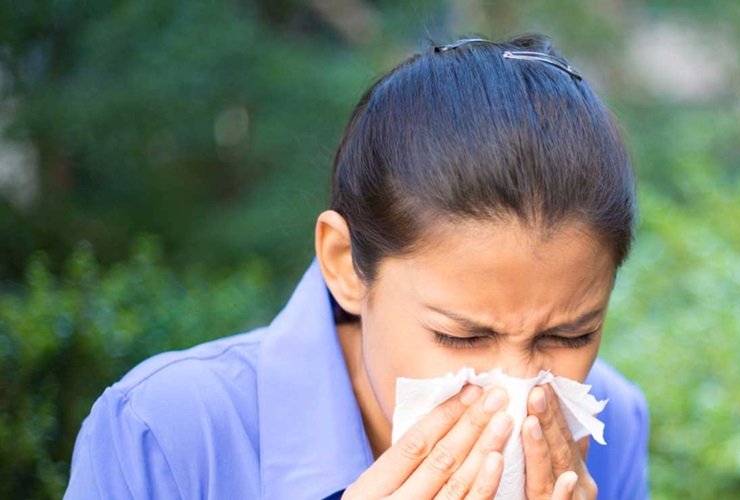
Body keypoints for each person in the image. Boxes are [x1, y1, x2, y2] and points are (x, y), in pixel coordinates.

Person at [65, 33, 649, 499]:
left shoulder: (609, 422)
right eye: (462, 336)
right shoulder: (166, 435)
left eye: (569, 334)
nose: (518, 389)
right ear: (344, 265)